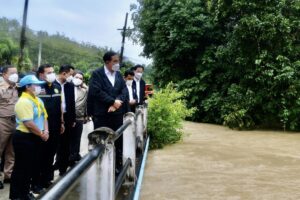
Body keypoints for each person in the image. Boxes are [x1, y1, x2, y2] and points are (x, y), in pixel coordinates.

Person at [87, 51, 128, 172]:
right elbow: (96, 91)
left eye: (118, 61)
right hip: (102, 114)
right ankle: (102, 169)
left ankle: (117, 165)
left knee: (118, 139)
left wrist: (117, 103)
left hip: (117, 113)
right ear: (107, 62)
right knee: (102, 141)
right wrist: (112, 101)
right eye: (115, 61)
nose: (117, 64)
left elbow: (124, 90)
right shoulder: (97, 74)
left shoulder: (119, 75)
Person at [9, 75, 49, 200]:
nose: (39, 87)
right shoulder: (23, 102)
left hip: (36, 136)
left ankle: (25, 193)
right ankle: (16, 195)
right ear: (27, 87)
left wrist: (46, 130)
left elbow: (44, 117)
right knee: (21, 167)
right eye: (36, 85)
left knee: (30, 167)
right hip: (24, 137)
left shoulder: (38, 99)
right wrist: (42, 134)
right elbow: (28, 123)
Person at [31, 64, 64, 192]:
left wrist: (62, 122)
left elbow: (60, 106)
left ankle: (46, 179)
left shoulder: (56, 87)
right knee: (39, 155)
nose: (51, 74)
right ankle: (36, 184)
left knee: (51, 154)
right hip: (42, 128)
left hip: (55, 126)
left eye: (52, 72)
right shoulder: (36, 88)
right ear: (40, 74)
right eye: (48, 72)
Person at [54, 65, 76, 175]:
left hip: (67, 117)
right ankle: (53, 167)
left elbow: (72, 103)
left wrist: (73, 119)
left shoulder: (70, 86)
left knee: (66, 144)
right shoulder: (53, 84)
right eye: (70, 75)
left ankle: (63, 168)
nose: (71, 77)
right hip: (54, 117)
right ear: (64, 73)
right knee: (54, 143)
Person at [0, 65, 18, 189]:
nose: (15, 75)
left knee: (11, 151)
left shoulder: (17, 87)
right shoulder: (1, 88)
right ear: (4, 75)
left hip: (15, 121)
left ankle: (8, 175)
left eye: (16, 73)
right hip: (2, 121)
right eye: (12, 73)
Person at [69, 71, 88, 166]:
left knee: (77, 139)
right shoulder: (67, 88)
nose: (78, 79)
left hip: (79, 118)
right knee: (67, 139)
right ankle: (65, 158)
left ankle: (74, 157)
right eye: (77, 77)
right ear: (72, 77)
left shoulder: (84, 91)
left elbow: (91, 94)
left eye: (81, 78)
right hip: (68, 118)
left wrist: (86, 116)